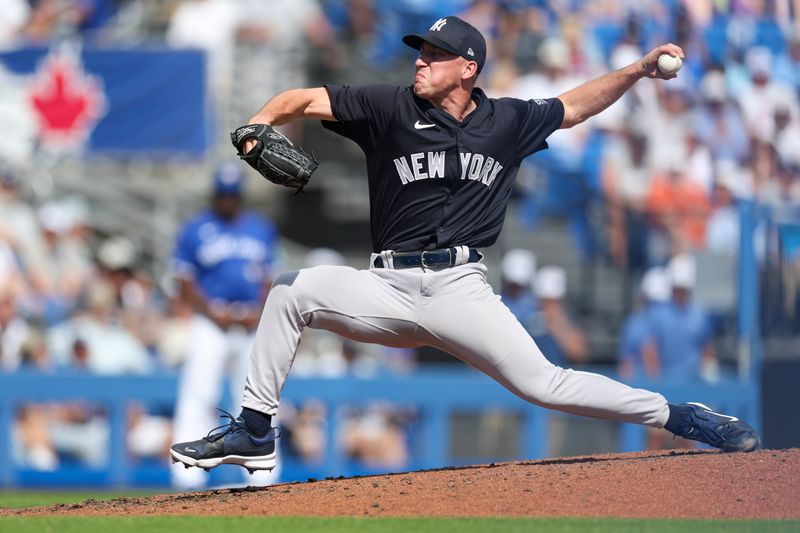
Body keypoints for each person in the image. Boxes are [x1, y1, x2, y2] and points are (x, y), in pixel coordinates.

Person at [171, 16, 760, 475]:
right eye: (420, 51)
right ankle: (254, 429)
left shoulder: (506, 122)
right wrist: (257, 124)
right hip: (385, 286)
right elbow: (301, 99)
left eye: (434, 54)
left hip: (460, 287)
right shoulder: (389, 107)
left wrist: (636, 69)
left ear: (468, 67)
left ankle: (681, 416)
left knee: (545, 385)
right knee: (290, 292)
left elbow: (575, 106)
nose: (420, 61)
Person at [169, 162, 281, 488]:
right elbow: (184, 279)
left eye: (233, 194)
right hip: (211, 321)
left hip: (249, 321)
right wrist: (209, 311)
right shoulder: (196, 227)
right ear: (215, 194)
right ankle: (184, 474)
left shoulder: (260, 228)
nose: (228, 200)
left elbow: (270, 277)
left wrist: (260, 311)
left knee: (258, 398)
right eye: (223, 194)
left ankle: (263, 474)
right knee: (198, 392)